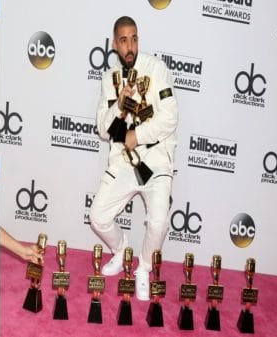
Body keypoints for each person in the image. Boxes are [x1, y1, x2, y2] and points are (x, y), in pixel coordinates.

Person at [89, 16, 177, 301]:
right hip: (124, 163)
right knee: (98, 217)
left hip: (155, 160)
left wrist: (135, 136)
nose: (130, 46)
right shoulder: (108, 79)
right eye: (124, 40)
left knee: (159, 222)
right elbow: (104, 128)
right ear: (114, 45)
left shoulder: (156, 68)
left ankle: (144, 268)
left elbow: (170, 118)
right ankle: (122, 251)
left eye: (134, 39)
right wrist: (118, 104)